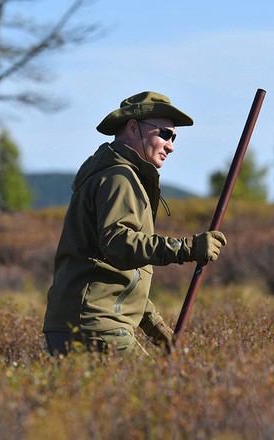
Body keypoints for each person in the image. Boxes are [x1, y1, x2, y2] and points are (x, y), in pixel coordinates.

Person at [42, 91, 227, 356]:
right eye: (164, 133)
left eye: (174, 137)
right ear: (132, 127)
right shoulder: (120, 178)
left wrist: (155, 328)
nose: (171, 145)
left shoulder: (115, 175)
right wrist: (189, 247)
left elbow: (118, 276)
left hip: (80, 323)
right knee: (157, 395)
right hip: (97, 326)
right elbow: (118, 245)